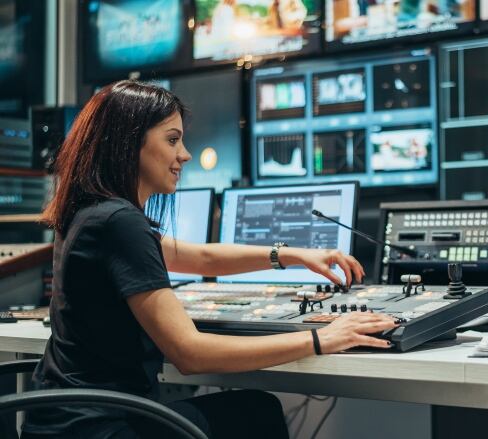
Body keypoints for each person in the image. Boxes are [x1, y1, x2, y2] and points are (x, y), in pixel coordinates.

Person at [21, 81, 398, 439]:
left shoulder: (89, 213)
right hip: (102, 427)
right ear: (128, 144)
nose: (184, 154)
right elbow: (190, 354)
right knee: (256, 410)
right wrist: (321, 337)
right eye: (172, 140)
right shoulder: (119, 222)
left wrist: (290, 254)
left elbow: (199, 257)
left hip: (62, 421)